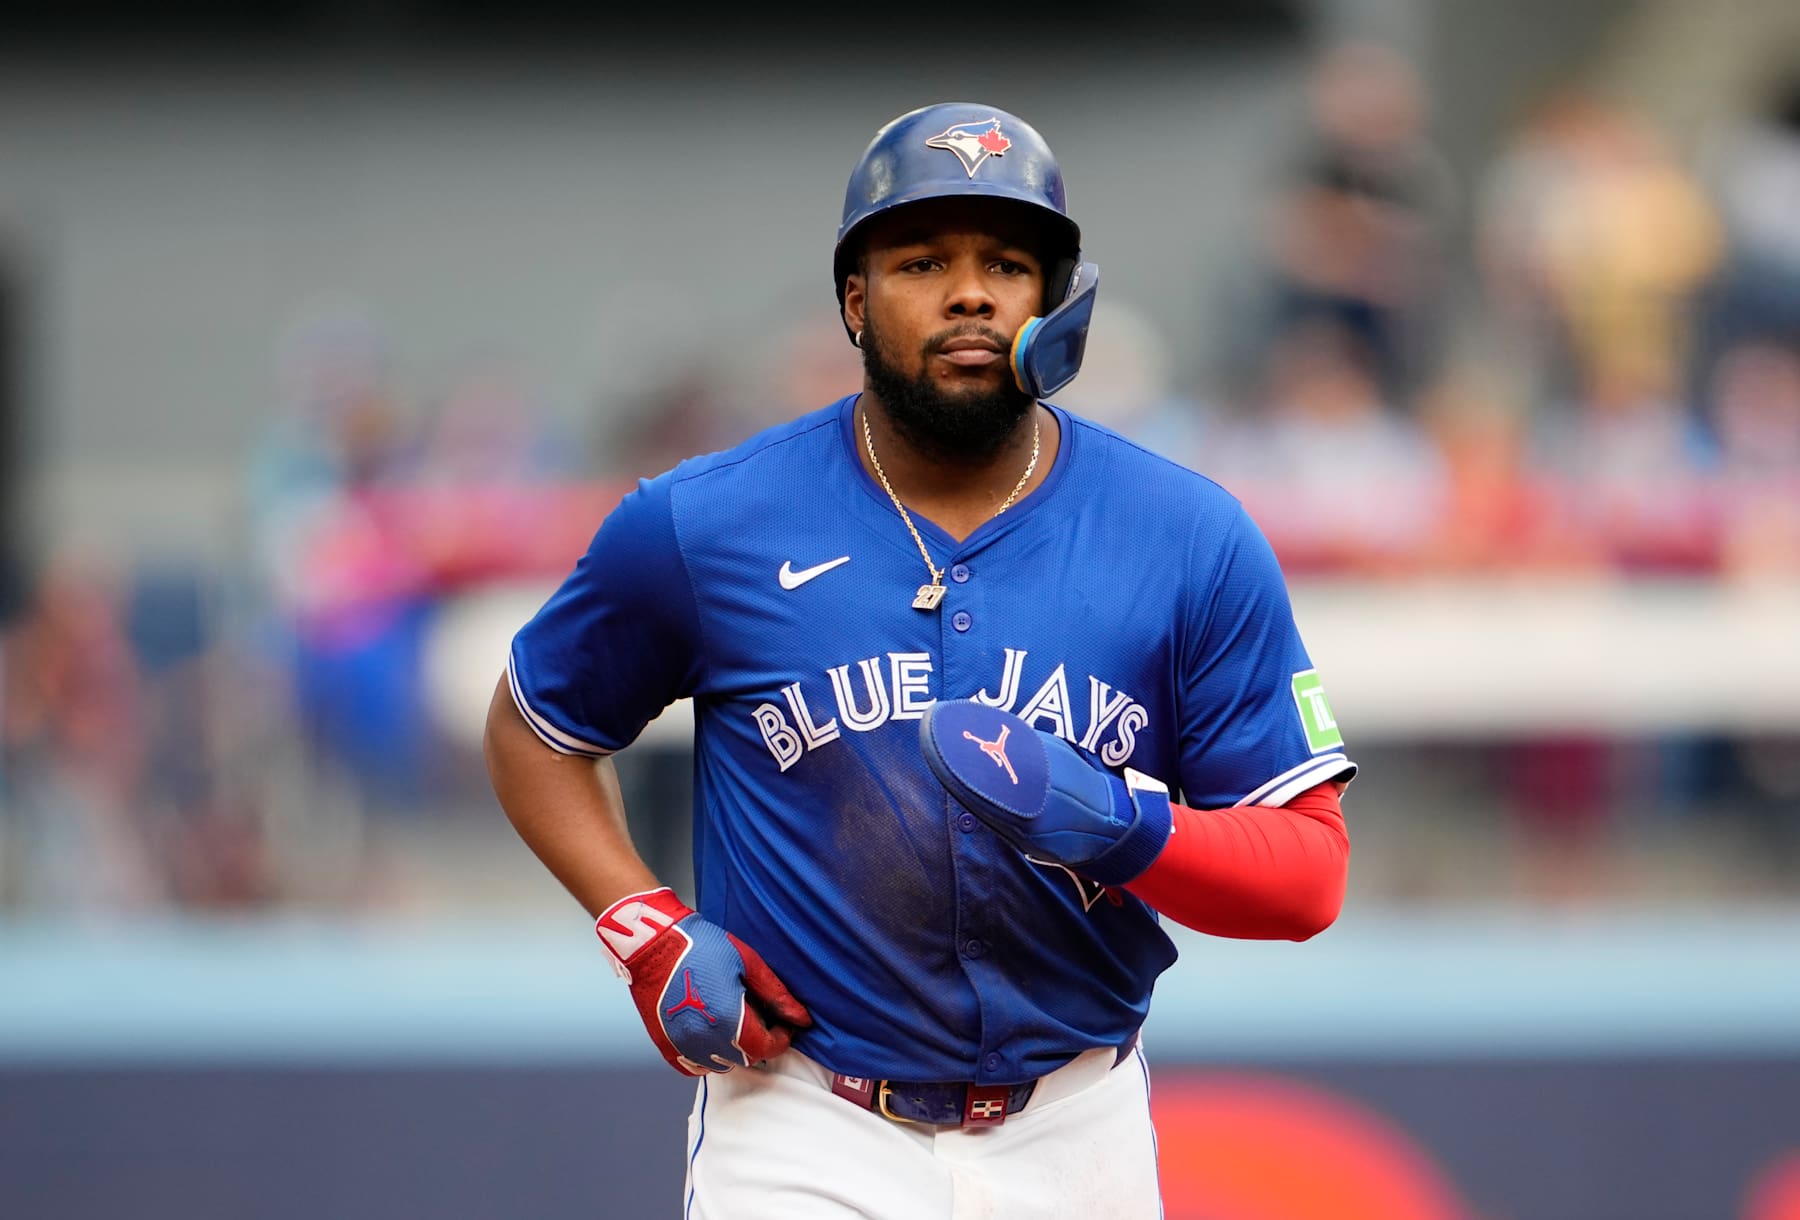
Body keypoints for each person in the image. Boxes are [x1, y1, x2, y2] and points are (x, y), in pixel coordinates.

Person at [483, 101, 1356, 1218]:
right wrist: (641, 925)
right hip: (804, 1123)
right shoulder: (704, 524)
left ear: (1055, 301)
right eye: (921, 260)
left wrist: (1122, 826)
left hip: (1074, 1124)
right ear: (854, 299)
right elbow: (535, 727)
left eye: (1007, 261)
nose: (971, 291)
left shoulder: (1186, 533)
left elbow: (1308, 872)